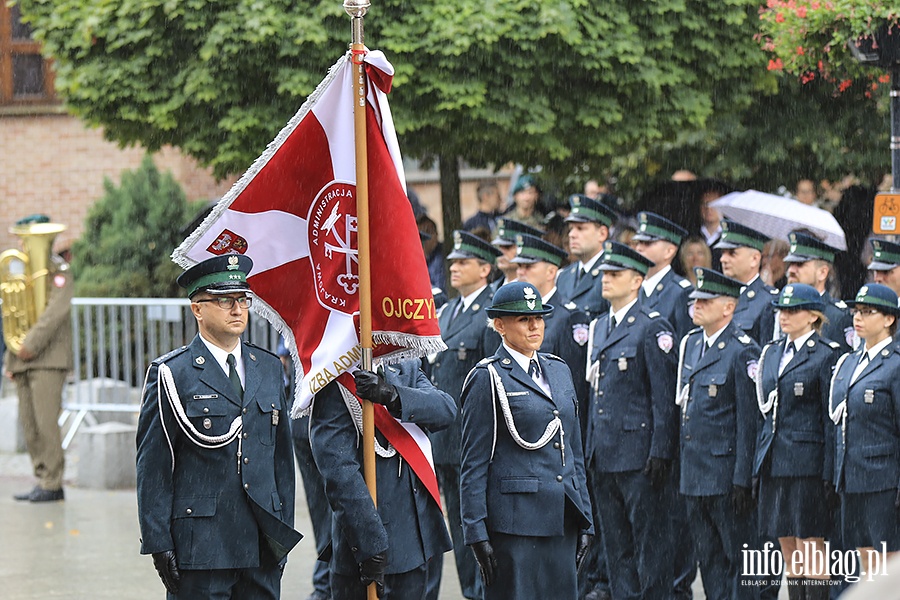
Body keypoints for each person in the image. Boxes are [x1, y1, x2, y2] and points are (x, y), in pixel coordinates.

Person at [136, 254, 302, 598]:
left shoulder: (268, 368)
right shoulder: (173, 374)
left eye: (243, 299)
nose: (237, 309)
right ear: (198, 309)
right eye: (224, 300)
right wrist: (158, 541)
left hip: (261, 541)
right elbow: (154, 466)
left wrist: (282, 530)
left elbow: (282, 460)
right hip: (202, 546)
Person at [459, 281, 593, 600]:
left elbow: (572, 451)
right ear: (500, 326)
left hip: (562, 516)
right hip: (515, 525)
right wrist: (475, 532)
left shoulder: (558, 370)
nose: (534, 325)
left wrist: (586, 518)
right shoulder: (487, 377)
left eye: (539, 317)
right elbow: (473, 464)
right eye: (523, 319)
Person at [309, 361, 455, 599]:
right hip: (363, 549)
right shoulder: (334, 377)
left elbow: (446, 411)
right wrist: (371, 543)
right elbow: (339, 472)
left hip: (412, 545)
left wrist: (393, 396)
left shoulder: (404, 366)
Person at [586, 241, 679, 600]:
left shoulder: (652, 328)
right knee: (616, 548)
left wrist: (661, 451)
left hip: (639, 456)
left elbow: (663, 399)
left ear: (637, 280)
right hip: (606, 454)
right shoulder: (600, 327)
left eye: (615, 274)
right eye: (605, 273)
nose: (606, 279)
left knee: (650, 547)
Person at [427, 230, 502, 600]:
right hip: (446, 443)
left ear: (485, 269)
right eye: (452, 261)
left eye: (463, 262)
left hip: (476, 445)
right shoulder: (450, 310)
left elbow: (494, 385)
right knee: (459, 531)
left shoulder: (491, 312)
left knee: (480, 532)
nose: (453, 267)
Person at [676, 268, 760, 600]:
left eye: (706, 300)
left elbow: (748, 422)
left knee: (740, 559)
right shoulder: (693, 343)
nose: (696, 305)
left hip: (725, 476)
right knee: (708, 560)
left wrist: (742, 478)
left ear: (728, 308)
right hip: (696, 473)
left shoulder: (742, 350)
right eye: (695, 299)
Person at [754, 284, 841, 600]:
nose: (785, 316)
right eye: (782, 309)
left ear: (814, 315)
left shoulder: (825, 355)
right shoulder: (772, 351)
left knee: (811, 547)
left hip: (808, 466)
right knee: (788, 546)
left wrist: (831, 473)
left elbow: (830, 421)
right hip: (776, 462)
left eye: (793, 310)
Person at [829, 284, 900, 580]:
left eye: (868, 312)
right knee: (866, 561)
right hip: (852, 476)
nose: (858, 318)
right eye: (856, 311)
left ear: (889, 319)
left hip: (883, 480)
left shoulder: (895, 364)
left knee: (889, 565)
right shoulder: (851, 361)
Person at [7, 215, 72, 503]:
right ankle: (42, 477)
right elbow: (12, 313)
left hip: (48, 358)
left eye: (28, 237)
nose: (22, 243)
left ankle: (53, 482)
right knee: (29, 424)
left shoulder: (59, 269)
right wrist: (11, 359)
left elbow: (55, 312)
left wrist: (29, 344)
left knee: (46, 423)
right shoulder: (19, 268)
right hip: (21, 358)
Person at [511, 233, 588, 415]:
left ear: (551, 272)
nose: (520, 272)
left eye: (528, 266)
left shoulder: (570, 316)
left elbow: (574, 386)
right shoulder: (512, 315)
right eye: (519, 266)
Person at [281, 341, 332, 600]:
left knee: (327, 515)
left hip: (306, 416)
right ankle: (326, 585)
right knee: (332, 514)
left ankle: (325, 585)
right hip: (321, 421)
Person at [784, 231, 855, 353]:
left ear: (822, 273)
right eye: (790, 264)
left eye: (800, 264)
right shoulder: (777, 309)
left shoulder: (838, 316)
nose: (791, 270)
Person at [633, 211, 695, 340]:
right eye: (638, 242)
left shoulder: (681, 292)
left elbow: (685, 342)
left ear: (669, 251)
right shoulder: (633, 286)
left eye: (647, 243)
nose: (639, 248)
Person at [556, 193, 618, 320]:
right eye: (571, 228)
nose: (572, 234)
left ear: (602, 234)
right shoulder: (563, 276)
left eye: (580, 228)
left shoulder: (612, 275)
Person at [716, 219, 778, 346]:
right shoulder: (716, 295)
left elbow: (767, 352)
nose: (723, 259)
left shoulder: (768, 300)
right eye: (723, 252)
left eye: (732, 253)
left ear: (754, 259)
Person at [488, 218, 544, 291]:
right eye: (499, 246)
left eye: (507, 247)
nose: (500, 252)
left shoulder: (531, 291)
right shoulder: (493, 288)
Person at [417, 215, 445, 293]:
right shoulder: (414, 257)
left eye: (428, 232)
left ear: (436, 235)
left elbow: (439, 290)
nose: (426, 238)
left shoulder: (441, 257)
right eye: (420, 235)